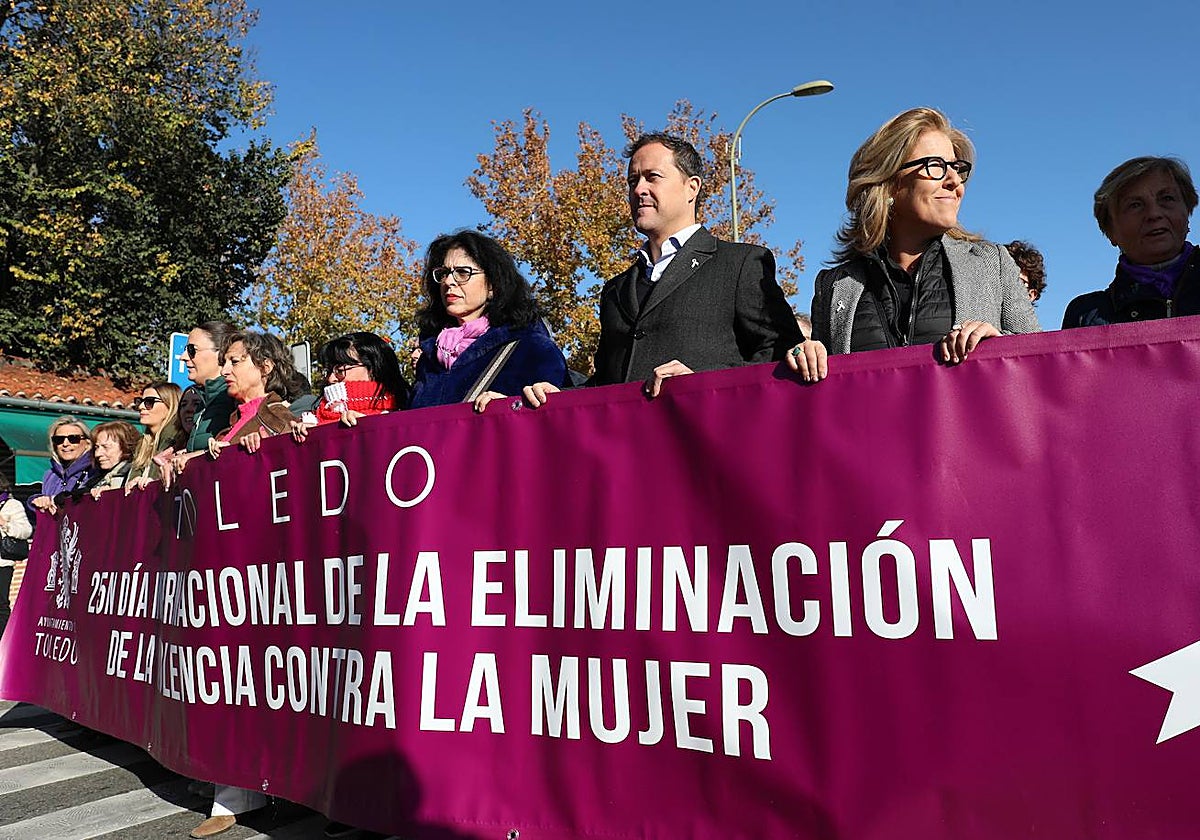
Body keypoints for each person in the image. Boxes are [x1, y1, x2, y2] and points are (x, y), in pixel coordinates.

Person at [524, 132, 801, 406]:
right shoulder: (615, 291)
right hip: (625, 446)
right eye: (633, 180)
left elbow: (785, 356)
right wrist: (556, 400)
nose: (639, 189)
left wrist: (703, 385)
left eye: (652, 177)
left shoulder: (741, 264)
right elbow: (606, 384)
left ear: (691, 187)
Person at [789, 107, 1040, 382]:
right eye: (936, 166)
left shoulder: (993, 263)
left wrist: (1001, 346)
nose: (954, 181)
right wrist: (805, 358)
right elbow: (826, 392)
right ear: (889, 181)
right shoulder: (835, 286)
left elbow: (1043, 365)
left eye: (957, 169)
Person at [409, 230, 567, 411]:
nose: (449, 281)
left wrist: (512, 406)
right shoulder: (429, 356)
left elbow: (560, 419)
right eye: (443, 273)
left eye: (462, 272)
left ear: (493, 285)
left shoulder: (530, 347)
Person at [1063, 156, 1199, 327]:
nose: (1154, 214)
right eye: (1135, 205)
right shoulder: (1086, 316)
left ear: (1187, 212)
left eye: (1167, 198)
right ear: (1110, 231)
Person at [291, 332, 409, 442]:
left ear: (373, 369)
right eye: (328, 371)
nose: (331, 379)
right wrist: (313, 437)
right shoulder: (312, 418)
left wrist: (373, 428)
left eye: (340, 371)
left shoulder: (406, 418)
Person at [206, 331, 298, 459]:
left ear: (265, 367)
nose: (224, 371)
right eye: (224, 363)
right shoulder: (235, 419)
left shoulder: (278, 420)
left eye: (234, 361)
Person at [177, 321, 239, 452]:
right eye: (185, 350)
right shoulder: (204, 401)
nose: (183, 357)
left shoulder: (234, 398)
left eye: (191, 350)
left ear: (221, 353)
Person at [27, 416, 94, 516]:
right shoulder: (50, 475)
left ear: (87, 444)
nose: (65, 444)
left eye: (73, 439)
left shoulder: (94, 471)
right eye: (59, 439)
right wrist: (36, 501)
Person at [127, 382, 185, 489]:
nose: (140, 406)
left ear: (170, 405)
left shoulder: (178, 440)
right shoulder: (142, 444)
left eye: (149, 402)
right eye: (140, 401)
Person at [0, 473, 33, 637]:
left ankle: (3, 641)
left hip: (2, 564)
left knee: (1, 605)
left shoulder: (12, 505)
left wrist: (4, 523)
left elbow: (26, 530)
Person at [79, 421, 141, 497]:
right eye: (96, 447)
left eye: (106, 447)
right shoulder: (93, 480)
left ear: (125, 447)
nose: (97, 454)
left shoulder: (133, 478)